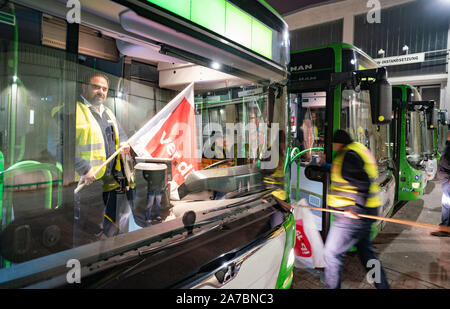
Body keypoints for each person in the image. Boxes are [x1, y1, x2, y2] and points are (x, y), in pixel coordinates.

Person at [49, 72, 135, 241]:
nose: (100, 91)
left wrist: (125, 144)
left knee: (103, 223)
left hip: (109, 180)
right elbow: (56, 146)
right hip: (84, 181)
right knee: (83, 227)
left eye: (104, 89)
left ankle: (100, 250)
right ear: (84, 87)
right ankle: (84, 258)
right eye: (96, 87)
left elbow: (122, 136)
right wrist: (84, 169)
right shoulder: (69, 111)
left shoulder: (109, 113)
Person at [320, 129, 390, 289]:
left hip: (352, 217)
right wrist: (324, 165)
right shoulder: (356, 149)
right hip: (366, 212)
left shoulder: (349, 156)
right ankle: (383, 286)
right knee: (367, 253)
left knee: (331, 254)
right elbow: (344, 171)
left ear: (338, 143)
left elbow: (362, 183)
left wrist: (355, 210)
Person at [431, 130, 450, 237]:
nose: (447, 133)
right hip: (446, 181)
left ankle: (445, 229)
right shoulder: (448, 146)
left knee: (447, 206)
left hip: (448, 181)